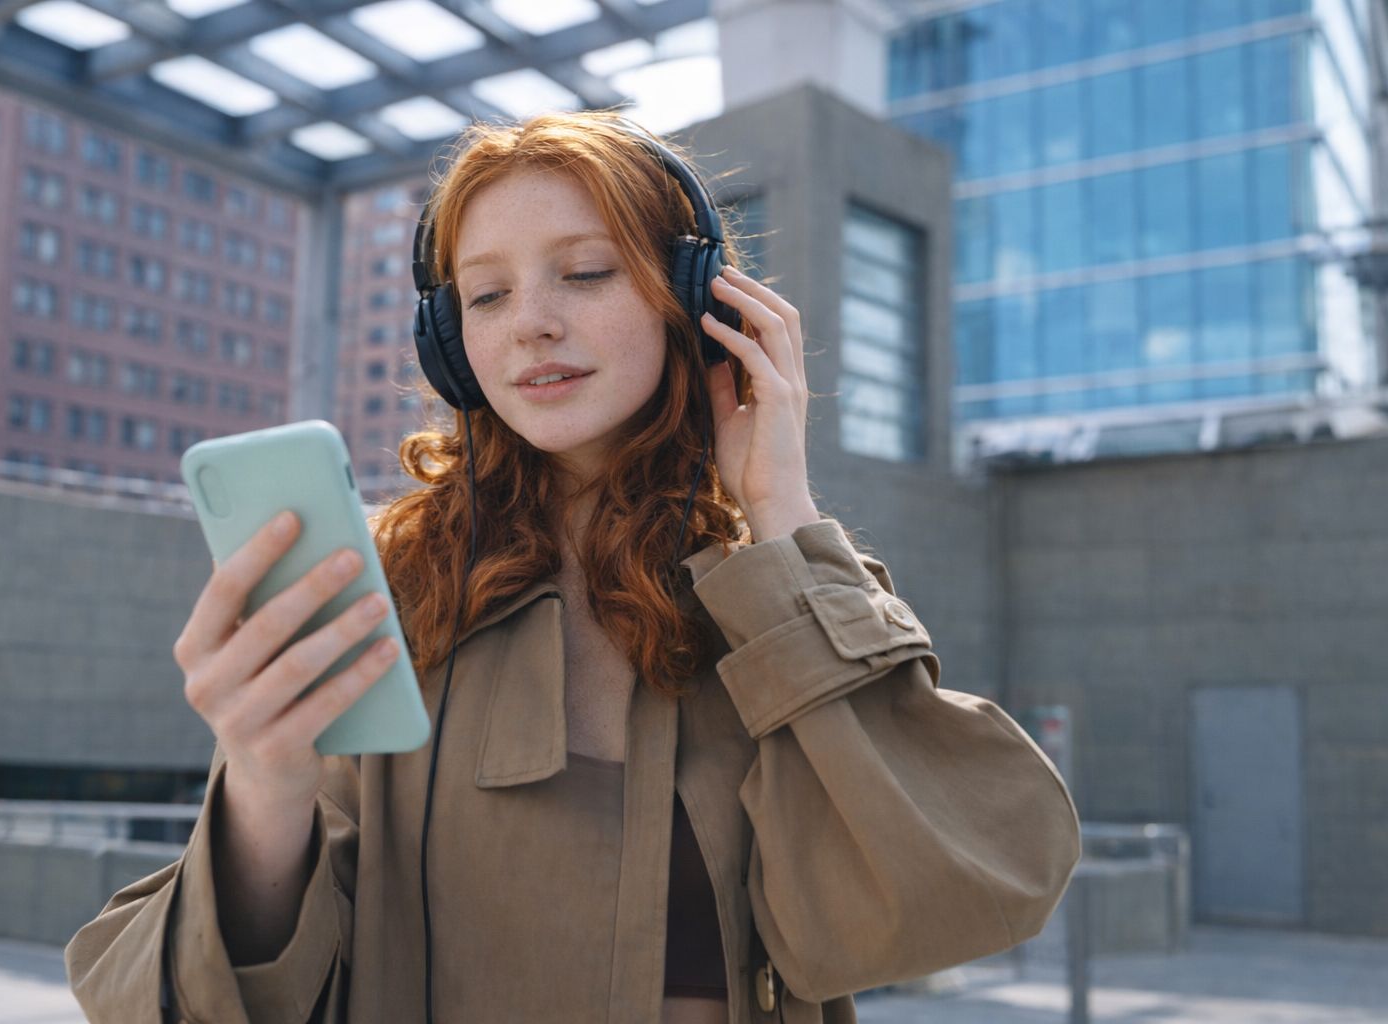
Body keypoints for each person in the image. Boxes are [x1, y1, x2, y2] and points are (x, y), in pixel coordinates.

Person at [65, 111, 1081, 1024]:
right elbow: (212, 997)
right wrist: (262, 785)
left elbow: (965, 890)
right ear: (449, 342)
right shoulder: (387, 583)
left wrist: (782, 511)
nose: (531, 323)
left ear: (696, 298)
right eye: (486, 295)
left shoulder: (781, 586)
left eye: (586, 273)